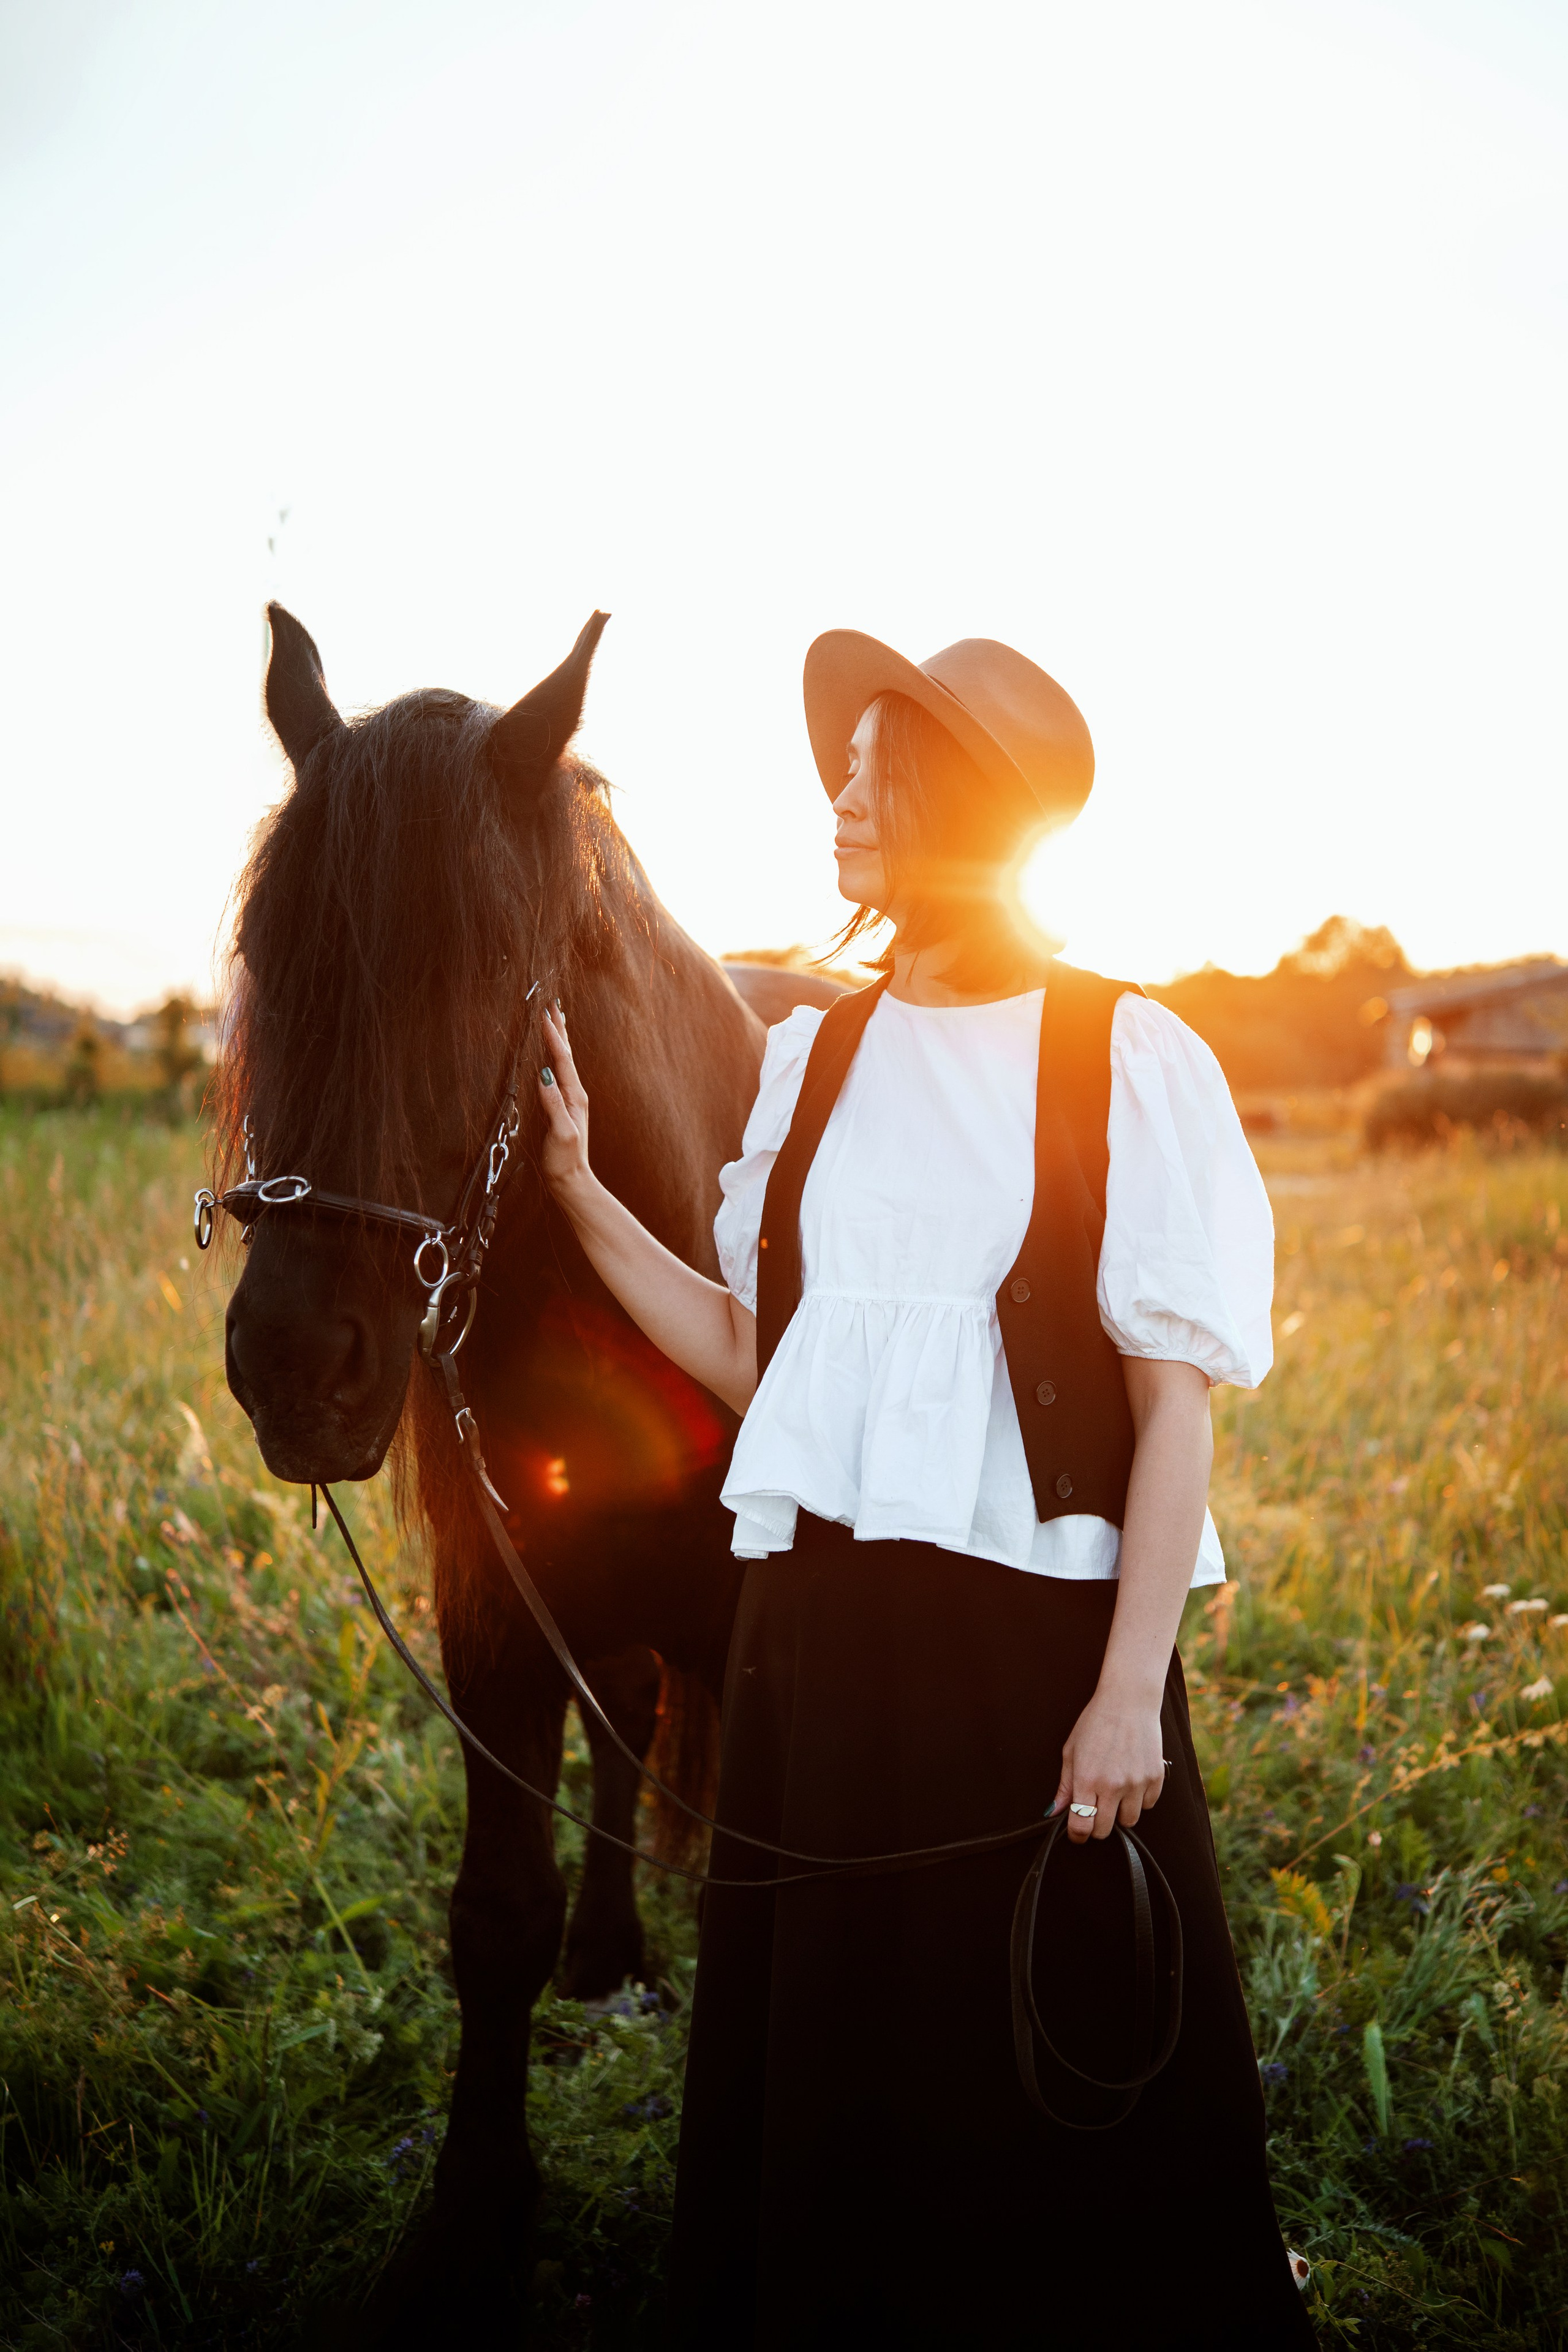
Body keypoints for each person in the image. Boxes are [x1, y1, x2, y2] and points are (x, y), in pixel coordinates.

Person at [535, 630, 1316, 2350]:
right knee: (838, 2050)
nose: (844, 794)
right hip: (815, 1643)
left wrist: (1130, 1700)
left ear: (960, 802)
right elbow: (761, 1358)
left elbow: (1168, 1412)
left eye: (877, 766)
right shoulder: (815, 1062)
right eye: (847, 764)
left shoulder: (1126, 1057)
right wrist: (589, 1199)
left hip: (1035, 1654)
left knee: (1035, 2049)